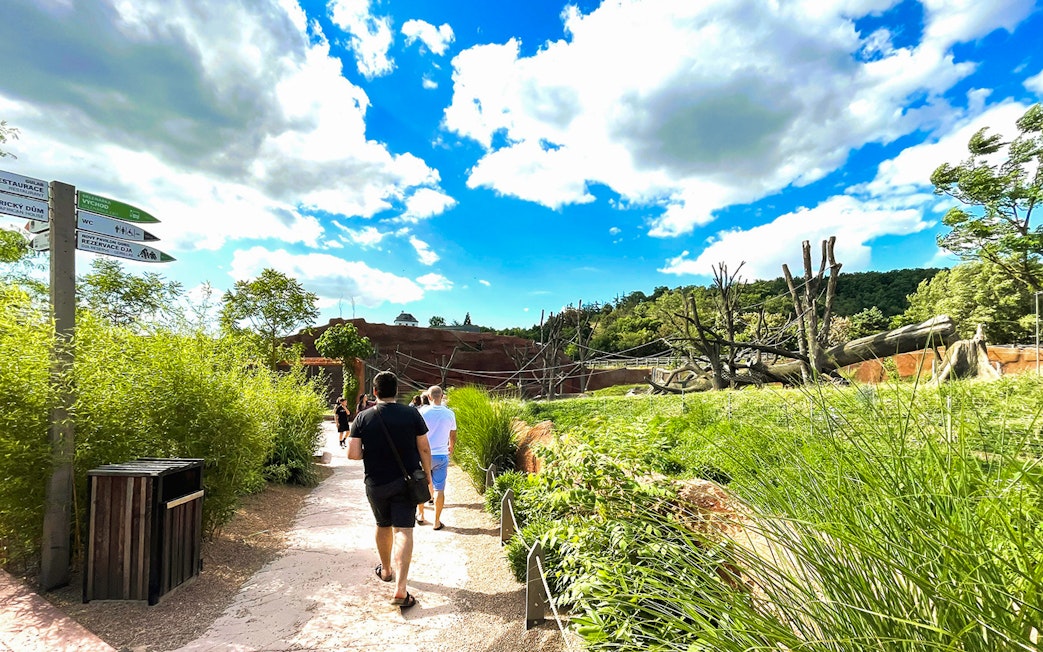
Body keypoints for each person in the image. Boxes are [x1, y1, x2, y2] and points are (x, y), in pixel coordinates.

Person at [348, 371, 432, 609]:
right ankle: (400, 589)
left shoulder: (363, 417)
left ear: (375, 392)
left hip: (376, 483)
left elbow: (353, 454)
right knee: (404, 530)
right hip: (406, 482)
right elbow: (424, 448)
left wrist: (372, 453)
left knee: (382, 525)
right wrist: (427, 476)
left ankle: (386, 570)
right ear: (396, 391)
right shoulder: (411, 413)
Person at [416, 385, 456, 530]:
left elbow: (416, 433)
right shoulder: (449, 413)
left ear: (429, 397)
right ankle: (436, 521)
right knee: (439, 488)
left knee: (421, 484)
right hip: (441, 454)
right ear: (442, 396)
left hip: (424, 454)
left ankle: (421, 514)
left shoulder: (422, 412)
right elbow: (453, 434)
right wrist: (451, 446)